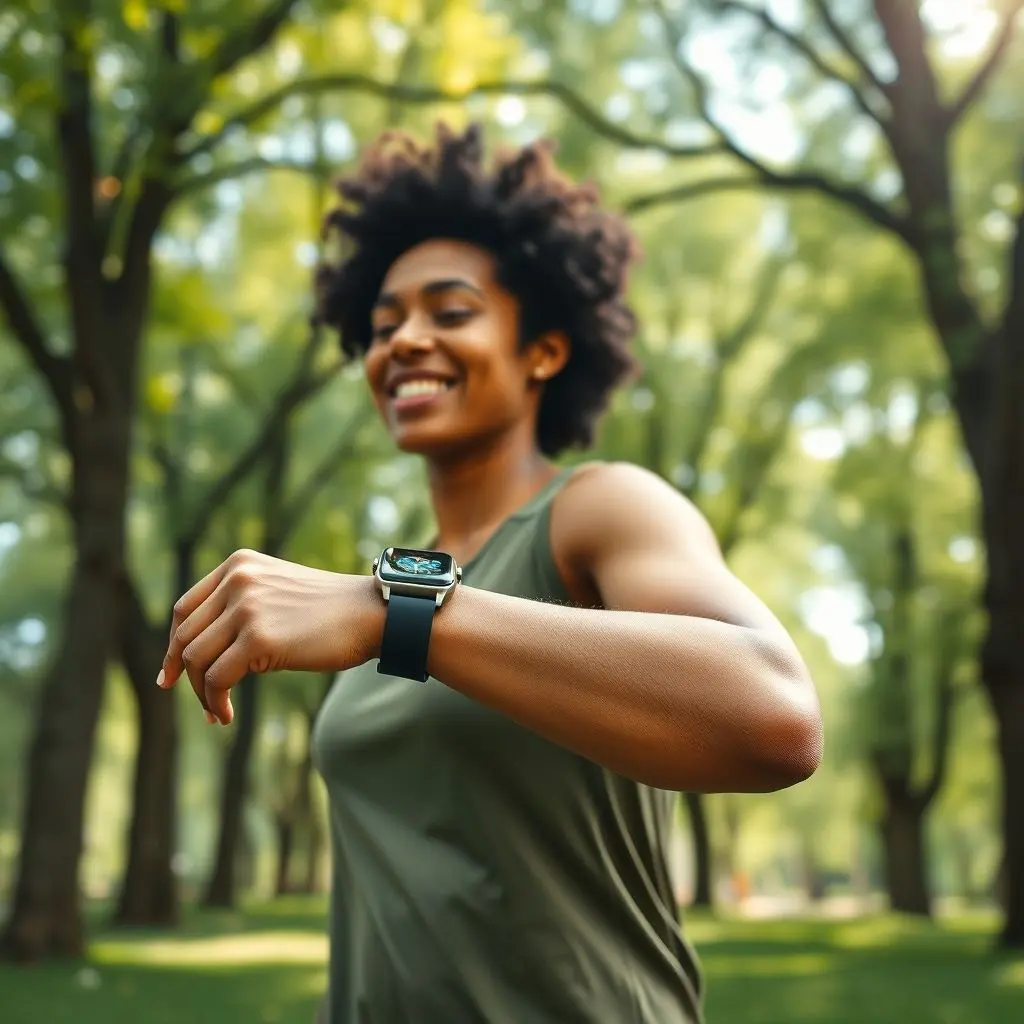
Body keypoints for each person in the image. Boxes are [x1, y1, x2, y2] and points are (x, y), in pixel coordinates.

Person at [158, 122, 823, 1023]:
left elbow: (774, 716)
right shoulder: (392, 581)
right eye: (384, 326)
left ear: (543, 350)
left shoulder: (598, 508)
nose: (404, 343)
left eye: (451, 311)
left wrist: (400, 612)